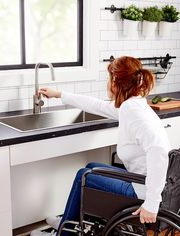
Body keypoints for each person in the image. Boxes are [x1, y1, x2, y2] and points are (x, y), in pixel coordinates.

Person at [30, 56, 170, 236]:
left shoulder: (133, 110)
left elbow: (158, 151)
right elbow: (98, 106)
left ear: (115, 81)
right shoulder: (132, 104)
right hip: (140, 181)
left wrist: (152, 203)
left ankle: (65, 232)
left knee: (84, 175)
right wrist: (60, 94)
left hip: (141, 189)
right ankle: (69, 223)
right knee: (91, 167)